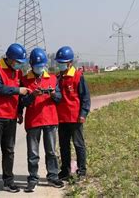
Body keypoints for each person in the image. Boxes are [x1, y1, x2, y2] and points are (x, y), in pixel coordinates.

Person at [0, 43, 31, 198]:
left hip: (10, 117)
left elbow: (22, 95)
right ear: (9, 58)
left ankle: (8, 181)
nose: (19, 64)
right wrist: (18, 90)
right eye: (17, 61)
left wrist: (20, 111)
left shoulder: (17, 73)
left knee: (9, 151)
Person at [18, 48, 65, 192]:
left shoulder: (52, 78)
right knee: (33, 153)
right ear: (31, 65)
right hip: (33, 121)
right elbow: (22, 101)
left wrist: (52, 94)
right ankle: (33, 178)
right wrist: (33, 95)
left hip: (50, 120)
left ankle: (53, 176)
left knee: (51, 151)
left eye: (42, 65)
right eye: (37, 66)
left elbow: (59, 98)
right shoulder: (25, 80)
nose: (40, 68)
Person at [55, 46, 91, 181]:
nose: (60, 64)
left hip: (75, 118)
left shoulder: (78, 76)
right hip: (61, 118)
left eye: (62, 62)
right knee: (64, 146)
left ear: (70, 62)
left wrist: (83, 114)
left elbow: (85, 97)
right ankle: (65, 170)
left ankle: (82, 170)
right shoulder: (58, 77)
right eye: (58, 62)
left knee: (78, 144)